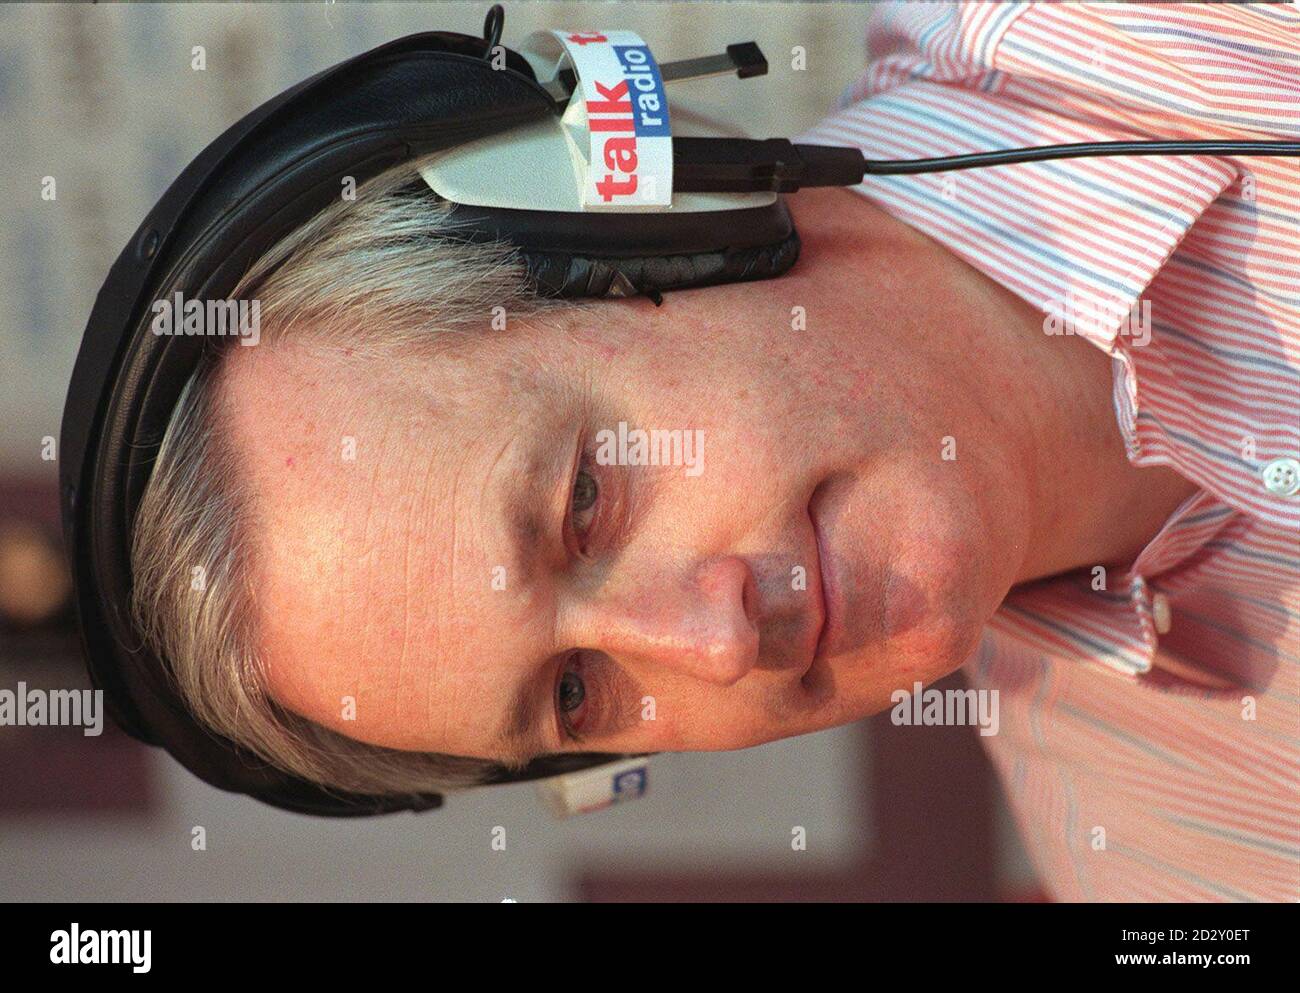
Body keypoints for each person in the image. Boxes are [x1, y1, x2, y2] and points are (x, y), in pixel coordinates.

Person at [131, 1, 1297, 900]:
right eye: (577, 693)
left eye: (584, 501)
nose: (714, 642)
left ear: (645, 215)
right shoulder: (1167, 872)